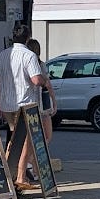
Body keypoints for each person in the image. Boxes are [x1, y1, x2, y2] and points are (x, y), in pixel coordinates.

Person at [0, 22, 46, 190]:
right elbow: (36, 80)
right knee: (28, 140)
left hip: (7, 104)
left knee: (15, 139)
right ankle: (21, 176)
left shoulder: (2, 55)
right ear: (27, 38)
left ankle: (7, 175)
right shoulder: (29, 55)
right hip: (25, 104)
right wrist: (44, 81)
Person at [26, 38, 62, 173]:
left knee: (35, 137)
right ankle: (31, 161)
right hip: (42, 105)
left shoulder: (27, 63)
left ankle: (32, 165)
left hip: (30, 105)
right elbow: (48, 85)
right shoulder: (40, 65)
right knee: (46, 137)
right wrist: (54, 102)